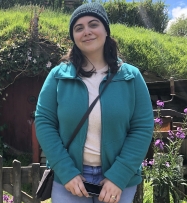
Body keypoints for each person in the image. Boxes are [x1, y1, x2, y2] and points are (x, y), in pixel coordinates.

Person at [35, 2, 154, 203]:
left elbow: (142, 127)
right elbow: (44, 122)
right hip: (70, 180)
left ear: (106, 30)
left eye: (93, 24)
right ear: (73, 37)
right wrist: (66, 171)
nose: (86, 32)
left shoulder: (131, 76)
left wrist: (119, 176)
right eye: (78, 28)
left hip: (118, 182)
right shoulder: (58, 76)